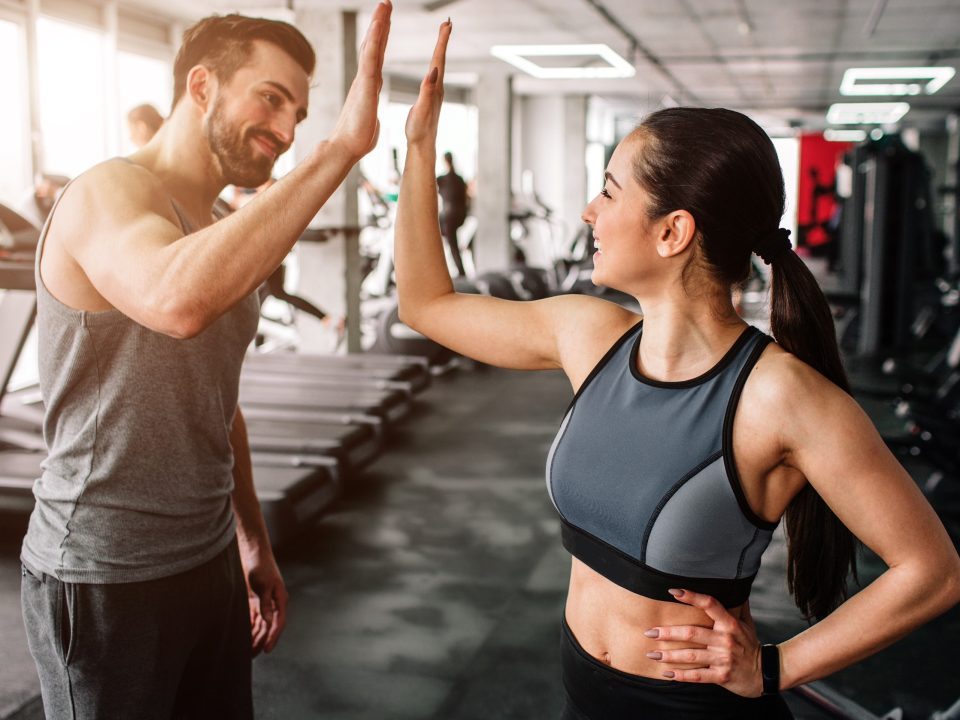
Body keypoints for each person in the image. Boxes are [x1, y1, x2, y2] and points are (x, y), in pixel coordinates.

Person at [394, 21, 960, 720]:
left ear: (673, 231)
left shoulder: (778, 396)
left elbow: (931, 571)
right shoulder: (588, 334)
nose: (588, 211)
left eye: (608, 191)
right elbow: (427, 303)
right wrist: (418, 148)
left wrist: (778, 666)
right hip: (582, 694)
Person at [20, 4, 392, 718]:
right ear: (201, 87)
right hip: (103, 573)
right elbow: (176, 300)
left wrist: (251, 539)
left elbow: (218, 401)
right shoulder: (107, 192)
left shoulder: (225, 228)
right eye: (272, 99)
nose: (287, 132)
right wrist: (339, 150)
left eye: (301, 116)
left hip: (208, 559)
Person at [436, 150, 468, 276]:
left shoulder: (443, 179)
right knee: (451, 243)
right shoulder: (459, 179)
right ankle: (459, 270)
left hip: (449, 216)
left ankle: (460, 271)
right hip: (457, 215)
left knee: (451, 243)